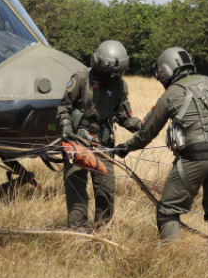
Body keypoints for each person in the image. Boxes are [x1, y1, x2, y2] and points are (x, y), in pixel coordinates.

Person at [114, 47, 208, 258]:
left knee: (168, 211)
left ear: (166, 72)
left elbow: (146, 133)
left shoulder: (170, 95)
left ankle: (173, 260)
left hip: (193, 158)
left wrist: (125, 147)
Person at [56, 40, 144, 231]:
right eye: (109, 75)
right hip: (77, 142)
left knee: (106, 190)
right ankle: (79, 231)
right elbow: (64, 107)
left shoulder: (120, 86)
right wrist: (66, 127)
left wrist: (141, 125)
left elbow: (122, 116)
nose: (112, 79)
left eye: (117, 76)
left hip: (104, 145)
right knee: (76, 189)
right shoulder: (80, 79)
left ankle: (103, 230)